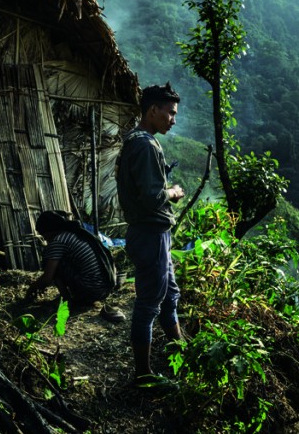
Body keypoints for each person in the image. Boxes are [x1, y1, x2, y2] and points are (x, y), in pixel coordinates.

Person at [116, 82, 185, 382]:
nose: (173, 119)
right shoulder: (145, 145)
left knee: (169, 294)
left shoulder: (137, 140)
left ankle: (180, 347)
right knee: (148, 304)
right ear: (153, 110)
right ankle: (143, 374)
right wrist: (173, 192)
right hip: (150, 234)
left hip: (153, 235)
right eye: (169, 113)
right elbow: (152, 196)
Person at [24, 210, 123, 322]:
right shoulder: (75, 234)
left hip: (92, 291)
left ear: (49, 230)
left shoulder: (58, 241)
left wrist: (32, 288)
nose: (44, 238)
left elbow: (47, 278)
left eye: (43, 234)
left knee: (54, 264)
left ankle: (67, 301)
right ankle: (73, 298)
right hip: (105, 289)